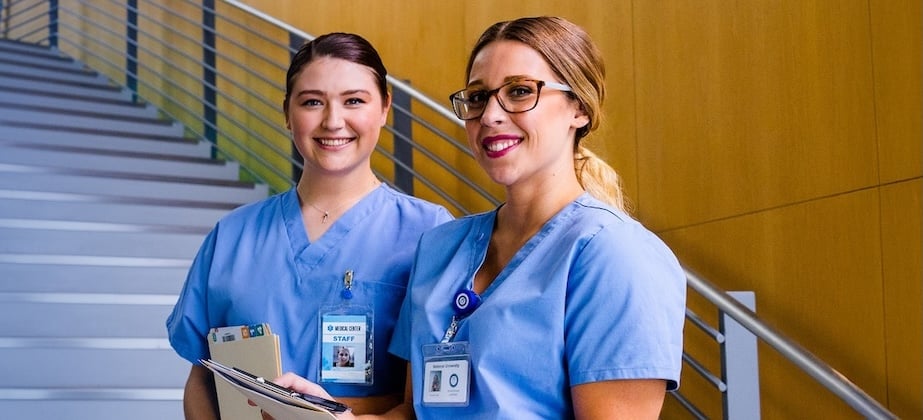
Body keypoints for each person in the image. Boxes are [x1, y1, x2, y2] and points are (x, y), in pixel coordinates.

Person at [272, 16, 686, 419]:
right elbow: (416, 412)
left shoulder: (616, 255)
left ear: (579, 107)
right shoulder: (441, 247)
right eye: (477, 97)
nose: (490, 116)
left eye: (521, 92)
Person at [165, 32, 453, 419]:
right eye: (312, 102)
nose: (333, 121)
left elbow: (430, 399)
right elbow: (202, 377)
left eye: (354, 101)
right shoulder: (232, 236)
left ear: (385, 108)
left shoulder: (432, 234)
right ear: (287, 113)